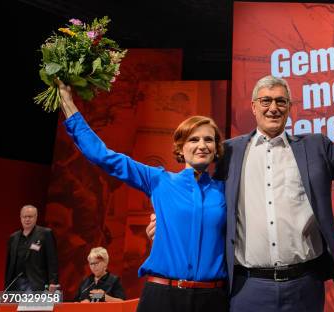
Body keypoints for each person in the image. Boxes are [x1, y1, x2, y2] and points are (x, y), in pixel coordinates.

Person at [148, 75, 334, 311]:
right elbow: (201, 194)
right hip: (247, 288)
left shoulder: (315, 147)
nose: (273, 107)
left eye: (281, 101)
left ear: (290, 107)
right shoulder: (229, 152)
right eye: (266, 101)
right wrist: (168, 219)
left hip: (304, 285)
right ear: (253, 106)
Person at [57, 80, 228, 312]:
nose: (202, 145)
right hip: (162, 298)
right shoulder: (159, 180)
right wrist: (67, 104)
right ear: (180, 147)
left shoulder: (225, 191)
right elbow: (104, 157)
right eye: (194, 139)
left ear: (217, 148)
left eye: (209, 139)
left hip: (211, 299)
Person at [5, 205, 59, 291]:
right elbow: (9, 264)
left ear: (36, 217)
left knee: (31, 305)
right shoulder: (13, 237)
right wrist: (7, 285)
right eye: (24, 217)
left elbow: (52, 259)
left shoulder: (45, 233)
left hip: (36, 282)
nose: (27, 219)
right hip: (16, 283)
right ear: (20, 217)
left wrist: (53, 281)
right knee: (15, 305)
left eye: (30, 217)